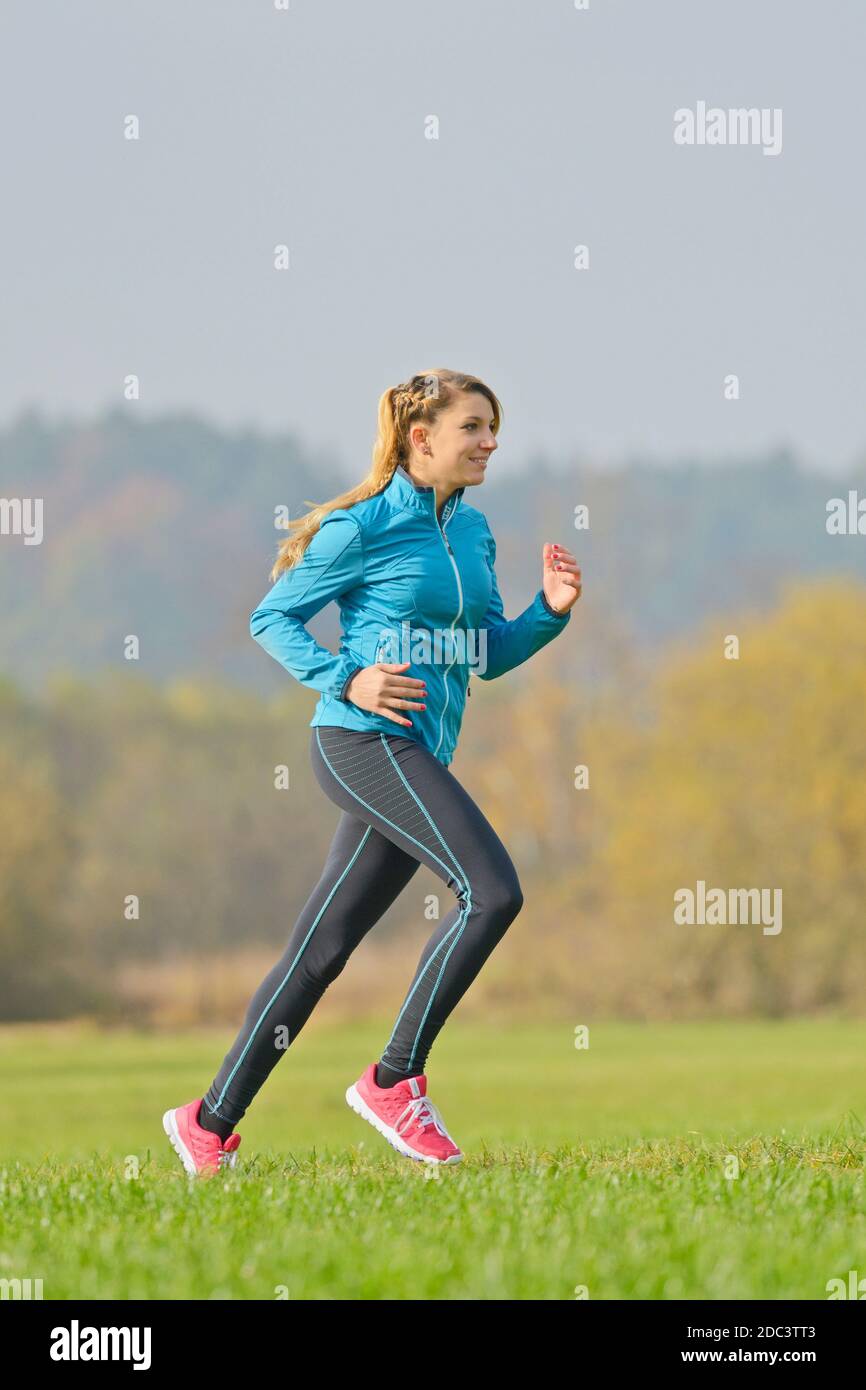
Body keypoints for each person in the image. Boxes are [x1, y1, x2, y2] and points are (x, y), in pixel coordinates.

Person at [163, 368, 581, 1177]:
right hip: (361, 742)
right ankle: (394, 1079)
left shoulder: (473, 533)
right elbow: (270, 617)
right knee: (492, 892)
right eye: (474, 428)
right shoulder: (359, 528)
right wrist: (344, 677)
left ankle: (207, 1123)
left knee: (322, 951)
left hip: (416, 755)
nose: (491, 442)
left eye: (494, 428)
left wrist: (549, 613)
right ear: (422, 438)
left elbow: (484, 654)